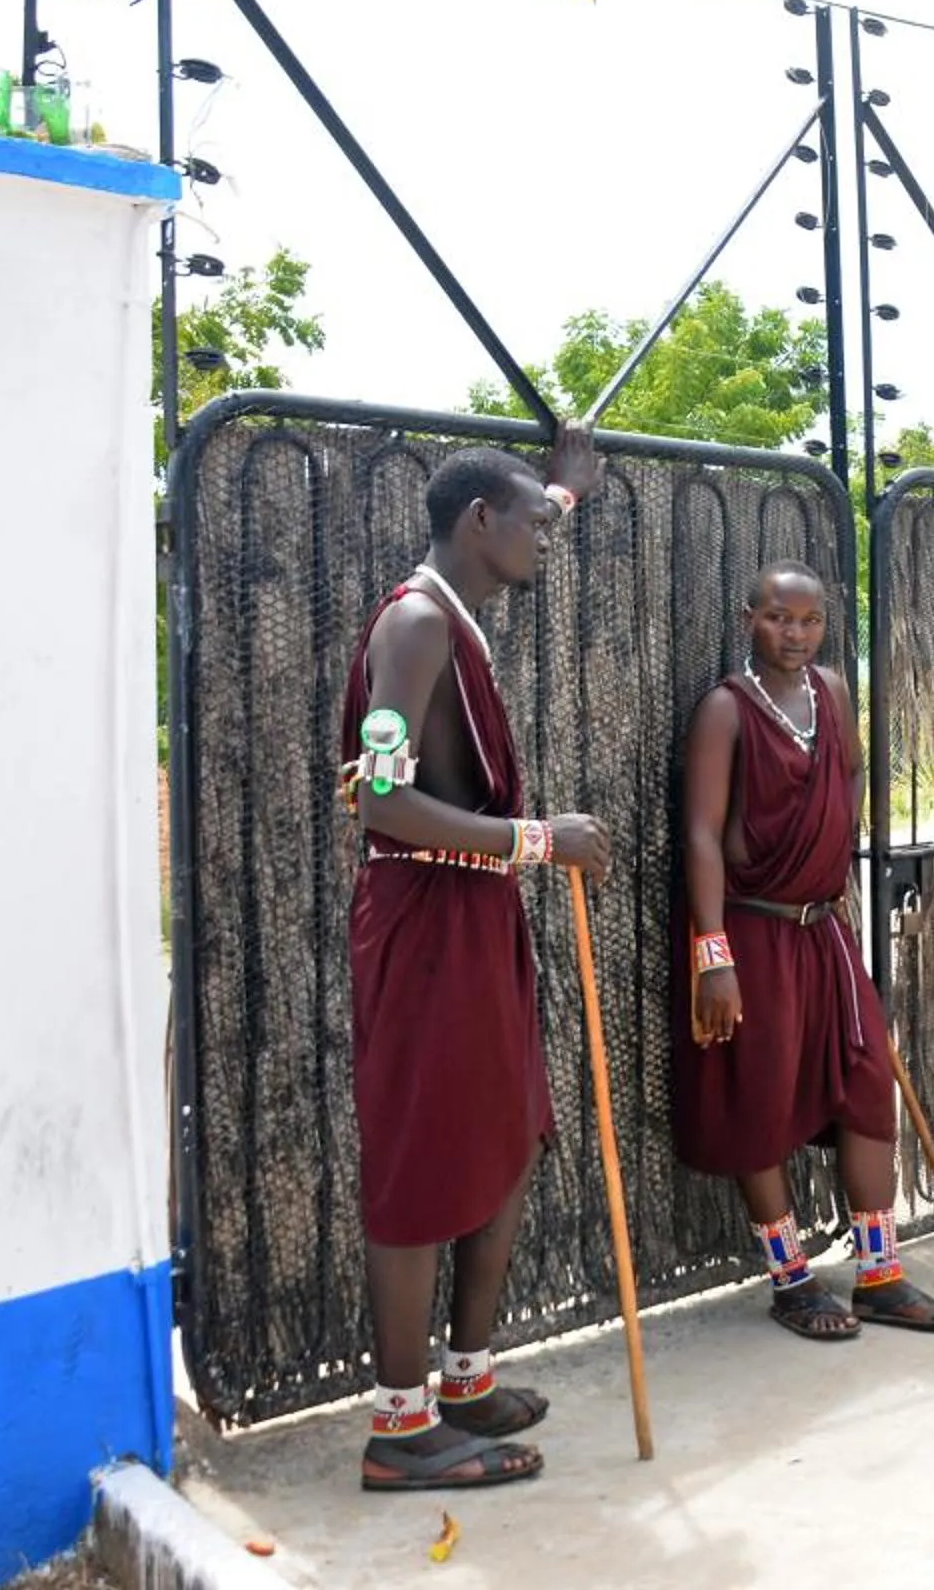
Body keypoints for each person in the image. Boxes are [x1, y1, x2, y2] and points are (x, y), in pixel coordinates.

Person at [337, 428, 613, 1492]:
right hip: (425, 920)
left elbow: (521, 509)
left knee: (506, 1132)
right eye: (534, 521)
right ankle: (400, 1428)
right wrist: (542, 839)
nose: (549, 536)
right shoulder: (415, 624)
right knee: (421, 1154)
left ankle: (466, 1378)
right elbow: (383, 800)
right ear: (476, 524)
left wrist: (563, 486)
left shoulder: (460, 604)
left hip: (476, 912)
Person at [674, 563, 934, 1339]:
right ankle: (792, 1279)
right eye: (778, 618)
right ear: (749, 619)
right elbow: (701, 834)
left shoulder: (834, 693)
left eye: (808, 621)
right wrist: (713, 953)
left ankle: (880, 1273)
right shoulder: (725, 712)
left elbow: (848, 778)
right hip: (751, 931)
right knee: (757, 1101)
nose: (794, 634)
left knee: (869, 1088)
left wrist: (830, 863)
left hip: (823, 928)